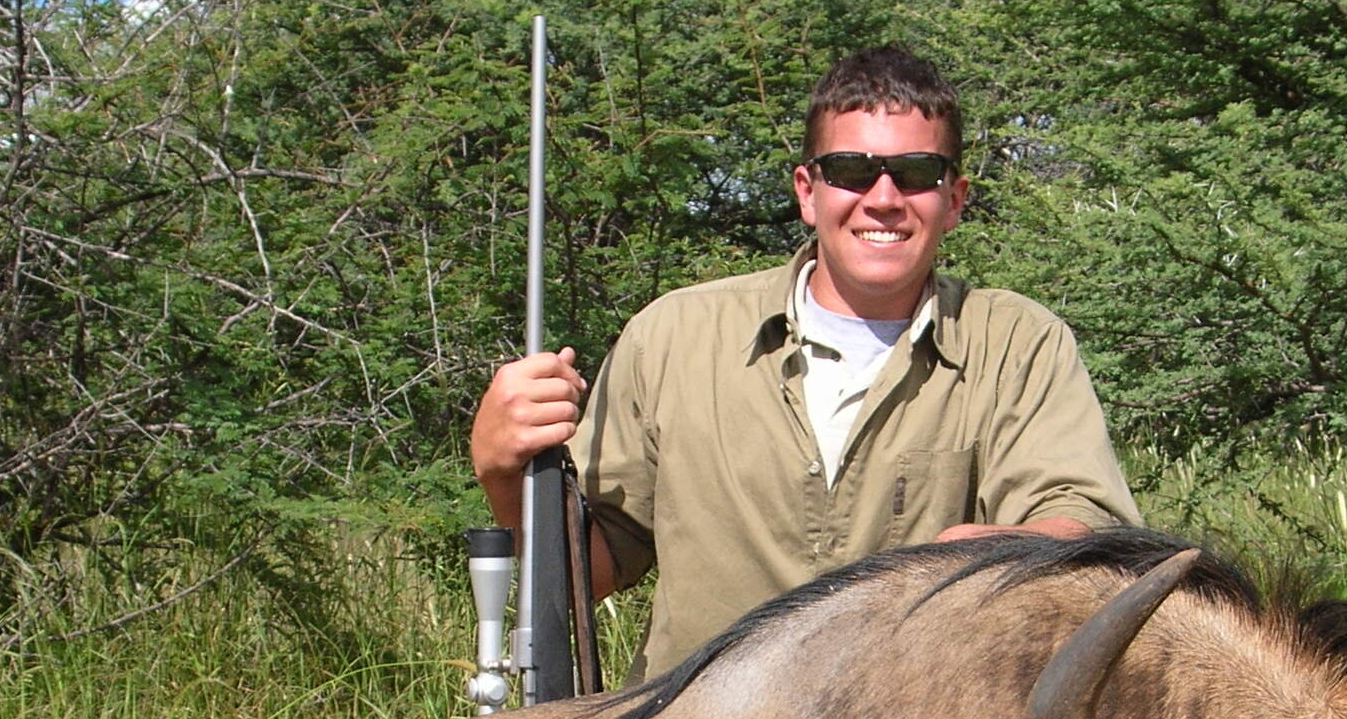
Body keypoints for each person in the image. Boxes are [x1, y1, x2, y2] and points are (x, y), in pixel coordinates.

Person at [468, 46, 1141, 677]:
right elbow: (595, 568)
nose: (883, 197)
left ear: (955, 199)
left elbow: (1090, 533)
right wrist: (504, 474)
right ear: (807, 191)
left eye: (915, 174)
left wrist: (995, 556)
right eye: (852, 170)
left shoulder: (1019, 342)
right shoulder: (671, 336)